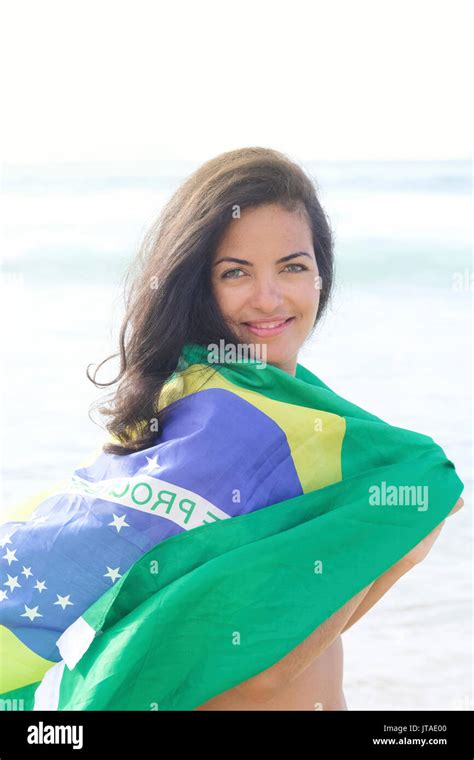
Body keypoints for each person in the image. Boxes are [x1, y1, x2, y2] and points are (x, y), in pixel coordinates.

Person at [88, 146, 464, 710]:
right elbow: (258, 668)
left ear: (321, 276)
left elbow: (308, 626)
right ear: (197, 285)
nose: (269, 297)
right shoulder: (215, 432)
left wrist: (389, 536)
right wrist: (395, 538)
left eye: (293, 266)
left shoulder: (309, 419)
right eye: (235, 272)